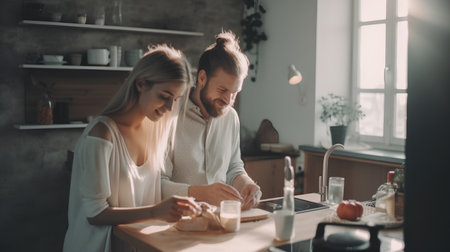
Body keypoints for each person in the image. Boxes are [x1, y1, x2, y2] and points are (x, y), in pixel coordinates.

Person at [63, 44, 201, 252]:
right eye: (164, 96)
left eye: (176, 99)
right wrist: (157, 212)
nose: (170, 107)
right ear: (141, 84)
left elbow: (146, 194)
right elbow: (95, 214)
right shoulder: (101, 134)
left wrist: (190, 206)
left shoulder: (155, 131)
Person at [162, 31, 262, 210]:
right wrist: (200, 193)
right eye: (222, 90)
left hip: (219, 219)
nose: (228, 101)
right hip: (176, 222)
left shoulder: (231, 117)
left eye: (234, 93)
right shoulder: (169, 114)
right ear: (202, 78)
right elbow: (157, 185)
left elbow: (233, 167)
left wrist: (247, 184)